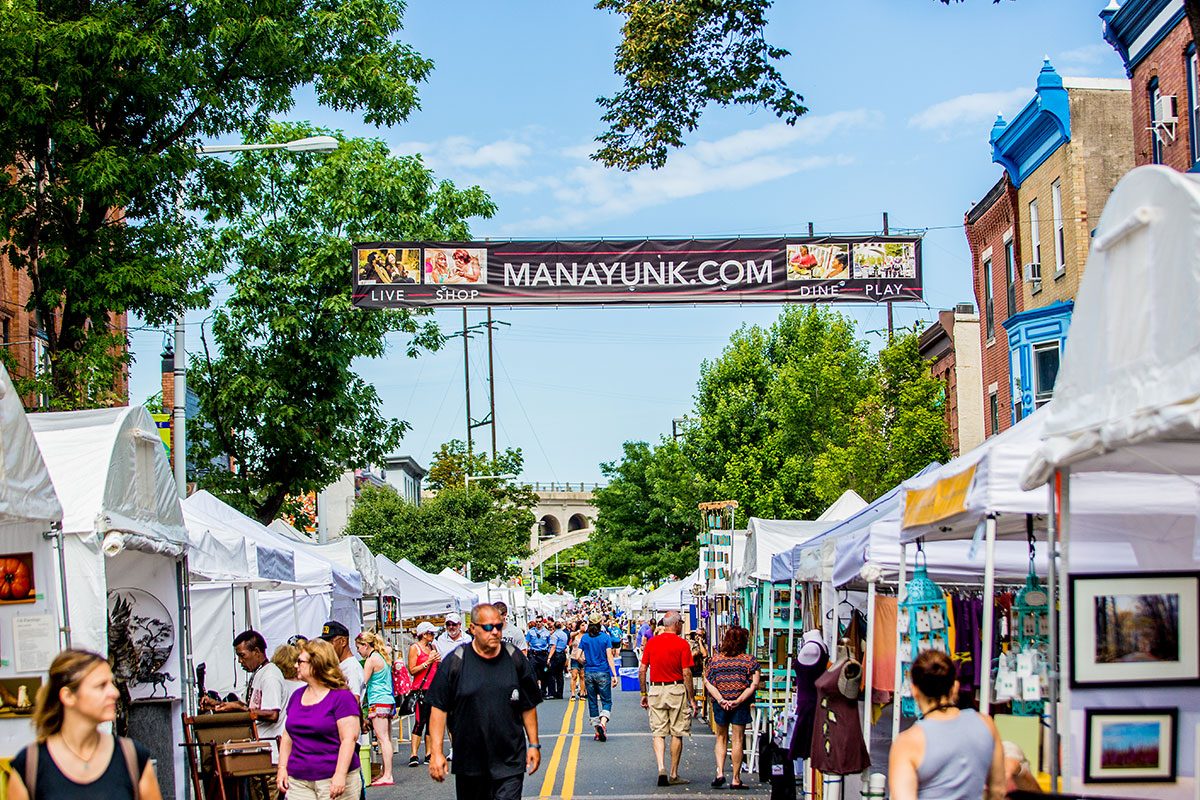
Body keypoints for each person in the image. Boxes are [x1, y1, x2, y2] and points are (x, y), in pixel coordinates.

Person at [8, 649, 161, 800]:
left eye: (112, 683)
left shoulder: (132, 757)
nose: (114, 693)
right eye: (101, 686)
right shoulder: (31, 765)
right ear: (68, 696)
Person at [426, 603, 542, 799]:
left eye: (498, 626)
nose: (495, 632)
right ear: (473, 629)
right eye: (488, 627)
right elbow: (438, 708)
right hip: (470, 762)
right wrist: (436, 752)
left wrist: (534, 744)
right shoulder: (456, 662)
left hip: (509, 760)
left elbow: (527, 706)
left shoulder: (515, 659)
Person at [888, 650, 1005, 800]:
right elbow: (998, 791)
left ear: (914, 691)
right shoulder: (986, 724)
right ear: (955, 687)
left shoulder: (907, 742)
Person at [278, 639, 363, 800]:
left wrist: (340, 774)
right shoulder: (296, 696)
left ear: (317, 664)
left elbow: (349, 739)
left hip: (332, 776)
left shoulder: (342, 698)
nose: (296, 666)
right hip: (299, 779)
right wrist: (282, 767)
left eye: (300, 661)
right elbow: (288, 736)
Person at [200, 630, 287, 759]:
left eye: (242, 656)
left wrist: (244, 709)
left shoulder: (270, 676)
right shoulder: (258, 673)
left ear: (256, 652)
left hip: (271, 753)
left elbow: (272, 714)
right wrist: (217, 705)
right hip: (259, 747)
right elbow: (244, 703)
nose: (240, 661)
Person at [638, 610, 694, 787]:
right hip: (676, 688)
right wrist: (692, 698)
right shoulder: (682, 644)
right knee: (677, 732)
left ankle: (661, 767)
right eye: (681, 623)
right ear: (676, 624)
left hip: (656, 689)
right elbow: (686, 673)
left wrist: (644, 693)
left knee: (658, 732)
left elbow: (642, 670)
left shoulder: (652, 643)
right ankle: (673, 773)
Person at [703, 626, 760, 789]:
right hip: (740, 704)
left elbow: (708, 682)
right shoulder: (750, 661)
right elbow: (754, 684)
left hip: (720, 704)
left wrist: (721, 699)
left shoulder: (715, 660)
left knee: (721, 737)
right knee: (738, 739)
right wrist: (738, 700)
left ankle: (720, 772)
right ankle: (735, 778)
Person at [356, 631, 396, 787]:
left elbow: (362, 683)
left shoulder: (371, 660)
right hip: (387, 699)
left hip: (378, 701)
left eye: (359, 647)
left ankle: (388, 775)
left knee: (382, 738)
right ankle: (385, 772)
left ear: (366, 645)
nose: (358, 651)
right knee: (386, 738)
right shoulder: (382, 656)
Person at [579, 613, 618, 741]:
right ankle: (603, 722)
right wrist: (614, 674)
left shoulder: (585, 638)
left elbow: (577, 655)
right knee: (606, 700)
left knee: (592, 701)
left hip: (589, 672)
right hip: (603, 672)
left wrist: (584, 661)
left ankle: (597, 730)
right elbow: (609, 657)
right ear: (600, 623)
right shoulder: (605, 638)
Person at [407, 621, 441, 767]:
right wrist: (428, 661)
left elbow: (436, 668)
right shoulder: (415, 648)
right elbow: (412, 670)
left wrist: (437, 662)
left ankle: (429, 753)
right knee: (420, 721)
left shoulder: (433, 647)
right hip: (420, 689)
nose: (432, 636)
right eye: (430, 633)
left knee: (431, 722)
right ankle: (413, 754)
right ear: (423, 634)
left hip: (433, 688)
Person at [319, 621, 364, 697]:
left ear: (343, 641)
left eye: (330, 642)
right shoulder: (341, 665)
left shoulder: (351, 667)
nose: (326, 647)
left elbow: (354, 701)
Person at [526, 618, 551, 699]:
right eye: (537, 622)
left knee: (544, 673)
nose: (538, 623)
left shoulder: (546, 632)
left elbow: (550, 644)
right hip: (533, 655)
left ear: (542, 623)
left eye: (540, 622)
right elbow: (526, 642)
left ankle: (543, 692)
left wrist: (548, 657)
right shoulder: (531, 632)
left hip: (543, 655)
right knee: (532, 673)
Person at [688, 630, 709, 722]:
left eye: (700, 635)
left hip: (700, 671)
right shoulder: (690, 644)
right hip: (691, 671)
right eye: (696, 634)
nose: (697, 636)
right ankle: (692, 707)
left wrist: (700, 642)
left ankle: (700, 709)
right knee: (691, 691)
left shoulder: (704, 645)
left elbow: (704, 654)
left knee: (700, 692)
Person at [547, 621, 569, 700]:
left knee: (551, 674)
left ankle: (552, 693)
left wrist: (549, 658)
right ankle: (560, 693)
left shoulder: (555, 635)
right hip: (562, 654)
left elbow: (553, 646)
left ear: (554, 627)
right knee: (560, 675)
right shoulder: (564, 634)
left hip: (556, 655)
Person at [567, 622, 586, 701]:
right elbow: (571, 635)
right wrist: (578, 631)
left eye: (585, 625)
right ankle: (573, 694)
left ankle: (582, 693)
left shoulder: (586, 636)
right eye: (582, 625)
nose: (584, 627)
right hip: (575, 657)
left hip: (584, 658)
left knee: (582, 676)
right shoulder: (575, 635)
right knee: (574, 676)